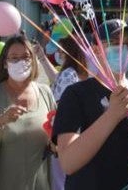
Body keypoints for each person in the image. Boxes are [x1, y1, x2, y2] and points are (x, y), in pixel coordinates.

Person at [53, 19, 128, 190]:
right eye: (115, 43)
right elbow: (68, 163)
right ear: (95, 49)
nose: (123, 48)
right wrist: (111, 115)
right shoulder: (75, 95)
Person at [0, 36, 56, 190]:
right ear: (5, 63)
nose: (21, 62)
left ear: (33, 61)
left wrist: (56, 144)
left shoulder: (45, 92)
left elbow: (55, 133)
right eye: (14, 58)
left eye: (26, 57)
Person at [38, 36, 89, 190]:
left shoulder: (68, 73)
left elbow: (61, 105)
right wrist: (42, 58)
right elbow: (56, 78)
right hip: (74, 131)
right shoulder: (74, 72)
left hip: (62, 131)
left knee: (60, 177)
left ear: (69, 52)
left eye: (61, 51)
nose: (58, 54)